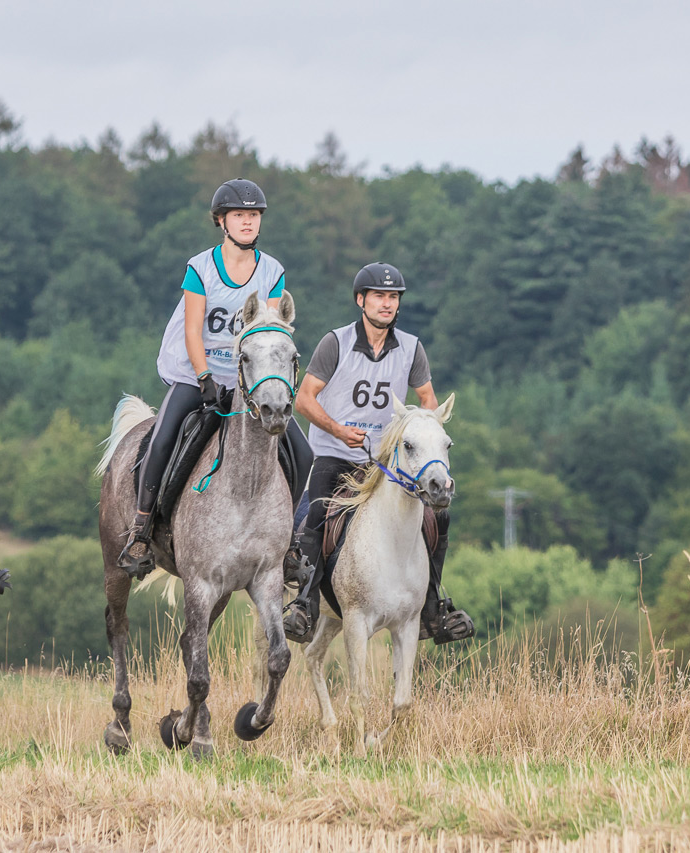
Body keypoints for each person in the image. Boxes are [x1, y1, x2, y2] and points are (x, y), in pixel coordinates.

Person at [117, 178, 314, 577]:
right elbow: (193, 330)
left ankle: (289, 541)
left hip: (250, 382)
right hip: (199, 373)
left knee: (304, 453)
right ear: (222, 221)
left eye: (254, 215)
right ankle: (142, 528)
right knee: (163, 437)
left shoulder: (272, 271)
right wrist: (204, 376)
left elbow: (269, 331)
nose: (248, 222)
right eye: (239, 215)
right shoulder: (200, 267)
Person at [282, 262, 473, 644]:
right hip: (335, 454)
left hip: (386, 464)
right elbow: (303, 399)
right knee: (318, 511)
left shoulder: (411, 348)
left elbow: (428, 402)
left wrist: (423, 432)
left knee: (438, 517)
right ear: (361, 300)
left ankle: (433, 608)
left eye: (393, 297)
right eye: (379, 296)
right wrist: (338, 430)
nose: (387, 303)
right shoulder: (335, 343)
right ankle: (305, 604)